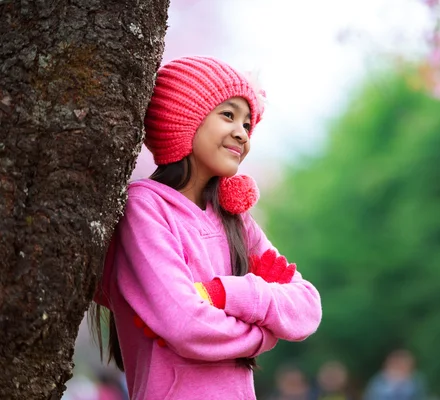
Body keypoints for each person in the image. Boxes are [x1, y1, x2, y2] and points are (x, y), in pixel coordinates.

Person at [92, 56, 322, 400]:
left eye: (248, 124)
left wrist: (225, 294)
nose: (242, 132)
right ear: (182, 120)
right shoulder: (145, 208)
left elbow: (307, 307)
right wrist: (264, 335)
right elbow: (187, 325)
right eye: (228, 115)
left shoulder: (235, 221)